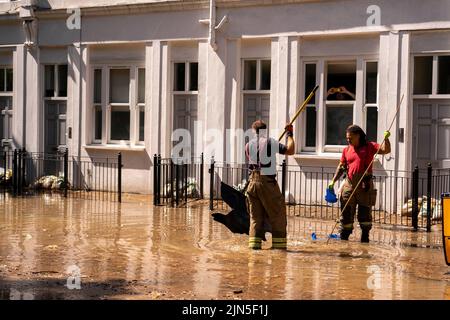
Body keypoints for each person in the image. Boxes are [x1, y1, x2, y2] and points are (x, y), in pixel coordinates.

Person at [328, 125, 391, 243]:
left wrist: (386, 139)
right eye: (347, 138)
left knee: (365, 216)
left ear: (358, 136)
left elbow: (385, 150)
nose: (348, 140)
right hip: (349, 185)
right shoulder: (346, 150)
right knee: (345, 215)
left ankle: (365, 240)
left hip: (365, 186)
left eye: (350, 138)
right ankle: (344, 241)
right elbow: (341, 167)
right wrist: (333, 181)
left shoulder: (370, 146)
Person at [245, 120, 295, 250]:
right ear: (265, 131)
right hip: (266, 182)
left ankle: (254, 248)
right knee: (277, 215)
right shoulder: (270, 142)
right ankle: (279, 250)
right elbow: (290, 150)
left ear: (253, 131)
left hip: (252, 183)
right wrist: (290, 134)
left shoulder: (248, 145)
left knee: (255, 218)